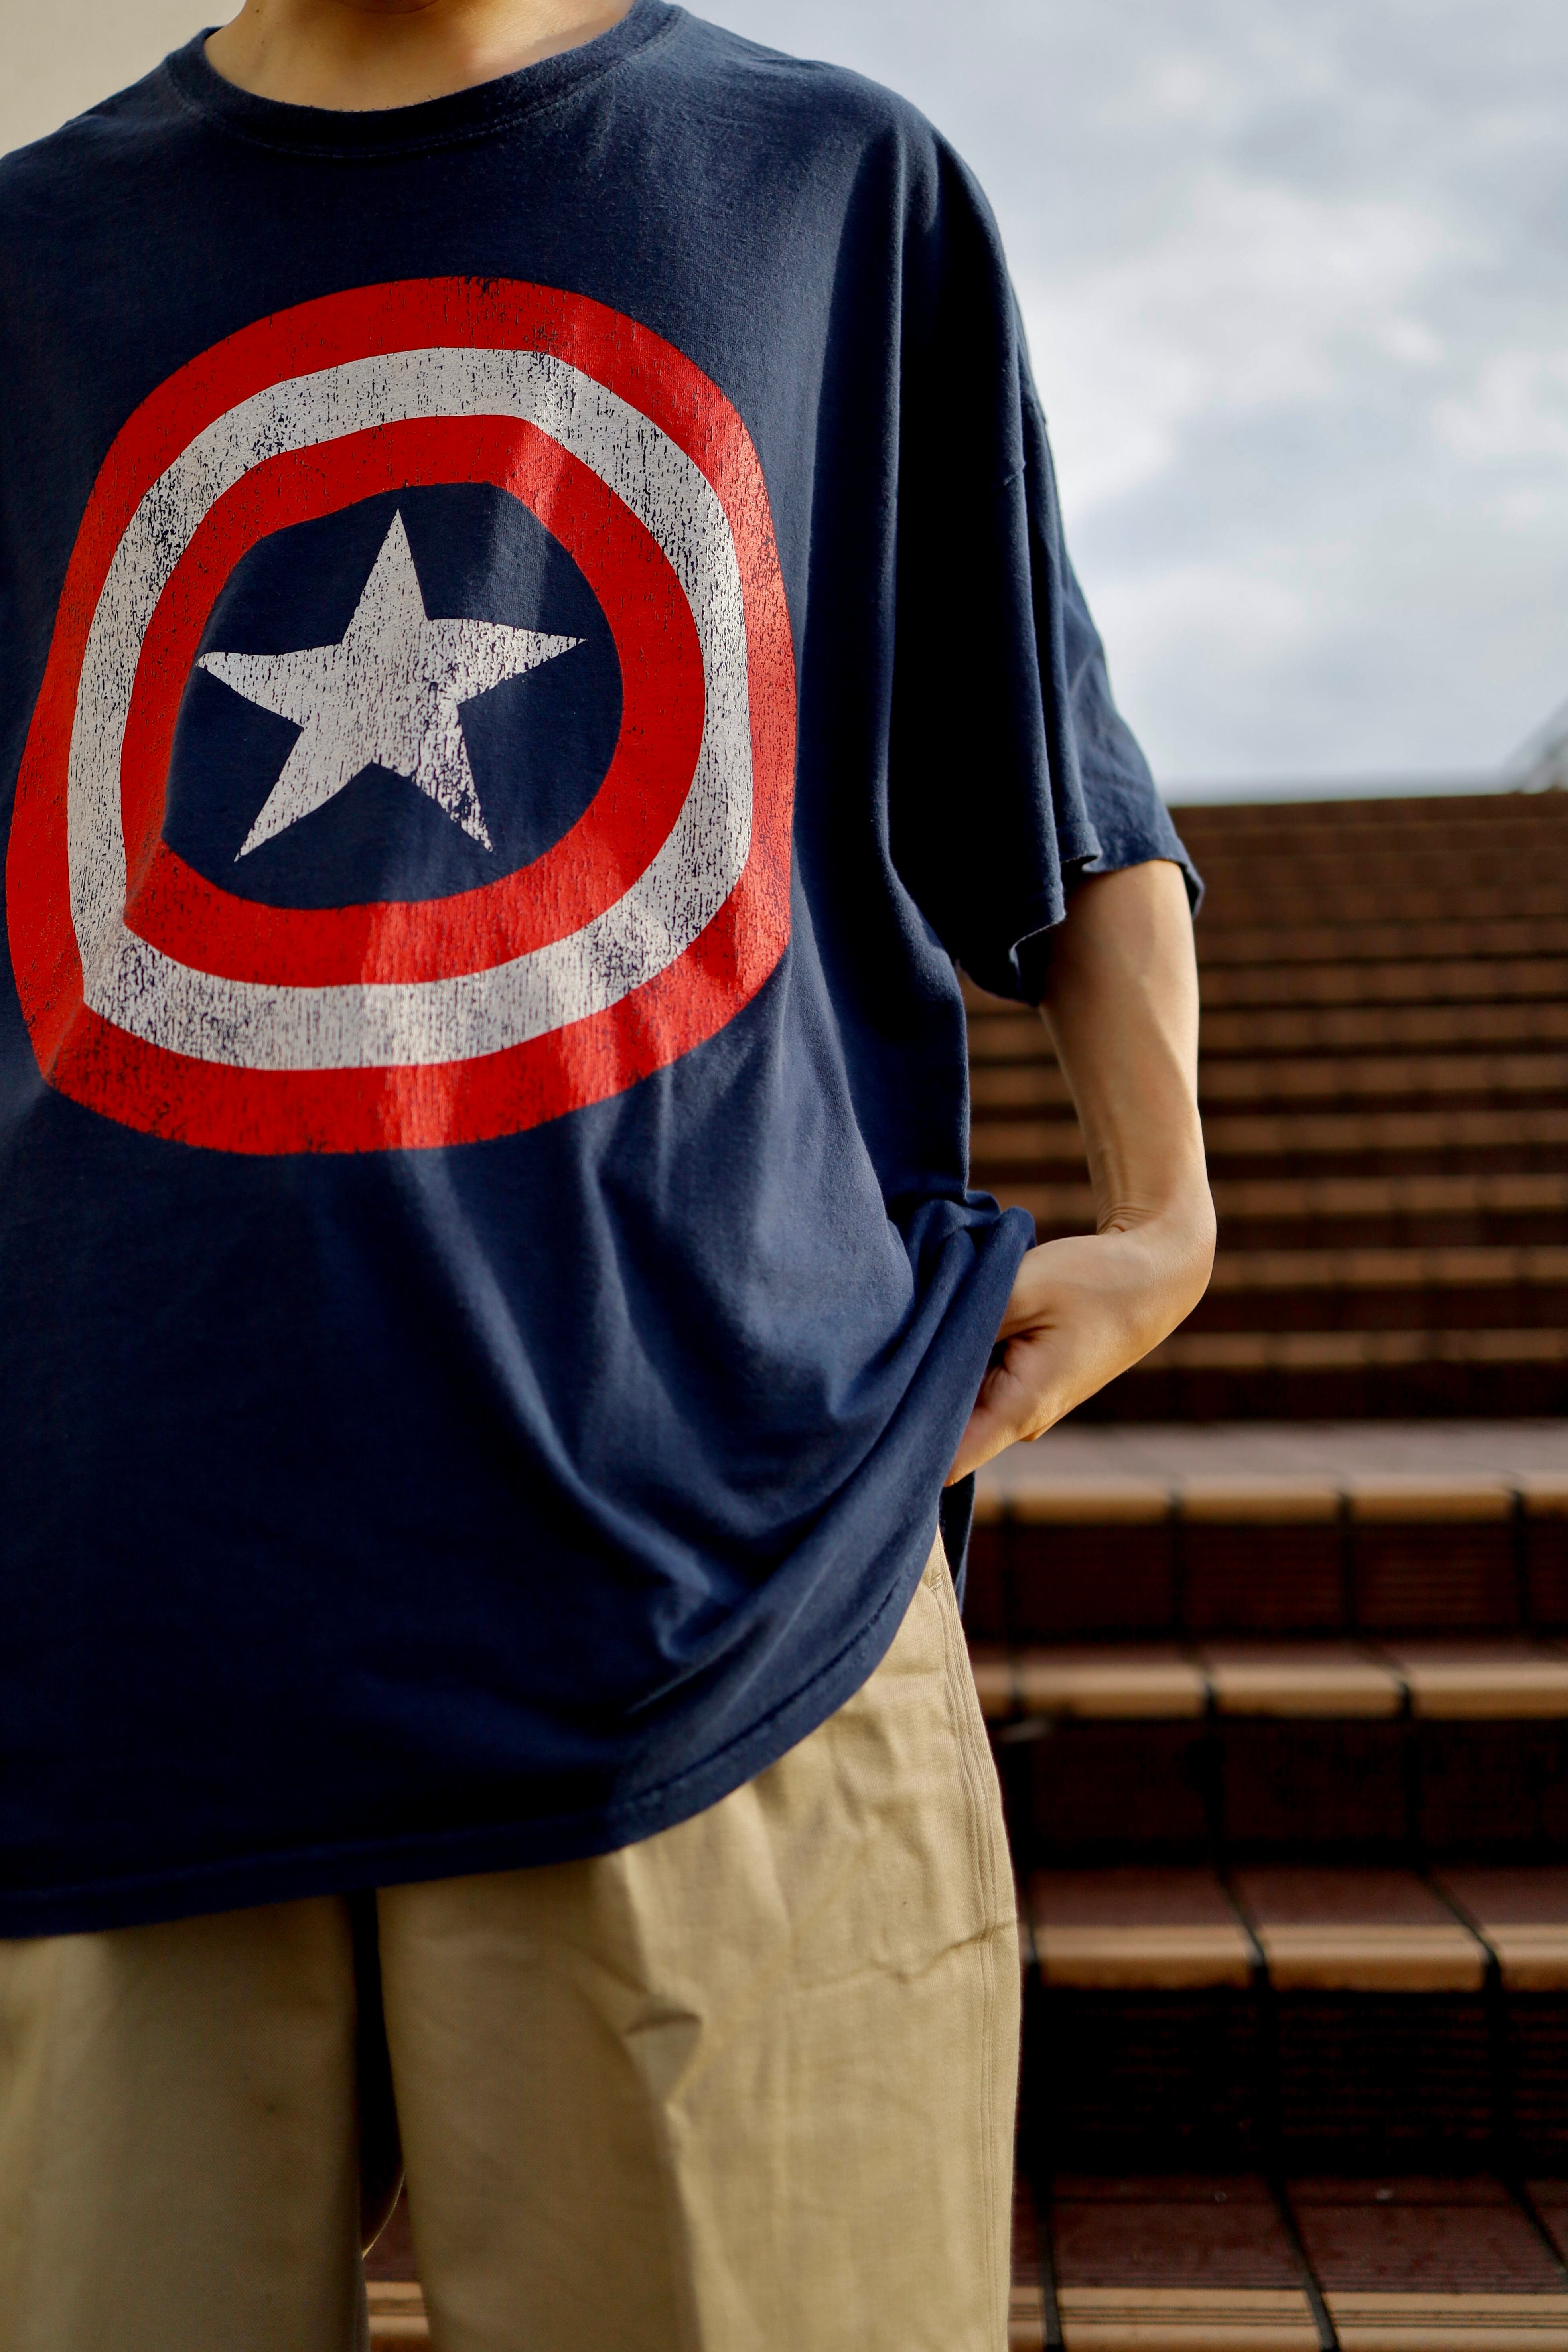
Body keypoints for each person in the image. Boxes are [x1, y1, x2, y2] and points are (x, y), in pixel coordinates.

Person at [0, 0, 1214, 2344]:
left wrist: (1165, 1217)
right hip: (94, 1626)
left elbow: (1046, 760)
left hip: (709, 1592)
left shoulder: (830, 183)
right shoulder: (27, 262)